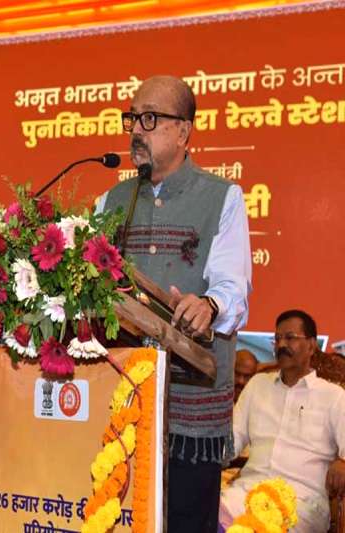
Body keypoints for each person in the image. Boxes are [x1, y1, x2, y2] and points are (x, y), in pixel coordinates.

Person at [97, 75, 252, 532]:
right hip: (122, 399)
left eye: (150, 119)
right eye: (131, 118)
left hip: (190, 410)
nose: (135, 130)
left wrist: (208, 306)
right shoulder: (110, 201)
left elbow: (232, 287)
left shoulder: (222, 197)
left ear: (183, 131)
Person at [220, 310, 345, 532]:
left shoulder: (334, 396)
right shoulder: (258, 385)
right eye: (277, 339)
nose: (281, 345)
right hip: (247, 493)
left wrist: (343, 462)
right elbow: (232, 441)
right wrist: (203, 453)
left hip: (301, 503)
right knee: (202, 516)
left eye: (290, 338)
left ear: (311, 345)